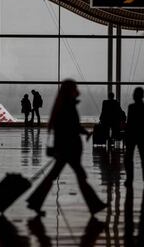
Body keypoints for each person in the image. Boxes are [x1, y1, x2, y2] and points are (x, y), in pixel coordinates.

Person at [26, 79, 107, 215]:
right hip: (69, 148)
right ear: (70, 90)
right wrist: (83, 132)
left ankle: (35, 202)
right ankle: (94, 205)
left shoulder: (63, 105)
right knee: (79, 176)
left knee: (56, 176)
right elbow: (72, 126)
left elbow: (67, 126)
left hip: (66, 148)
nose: (77, 90)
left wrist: (83, 132)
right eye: (75, 88)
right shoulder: (68, 106)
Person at [124, 87, 144, 187]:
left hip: (132, 134)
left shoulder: (131, 107)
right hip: (142, 134)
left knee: (128, 158)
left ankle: (129, 178)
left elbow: (130, 123)